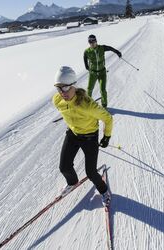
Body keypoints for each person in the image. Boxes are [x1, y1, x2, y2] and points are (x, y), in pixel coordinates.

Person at [52, 66, 113, 206]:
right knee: (64, 167)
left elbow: (108, 118)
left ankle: (104, 190)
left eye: (66, 88)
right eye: (58, 88)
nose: (62, 92)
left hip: (89, 137)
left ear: (74, 85)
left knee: (91, 173)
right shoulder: (57, 100)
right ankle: (72, 182)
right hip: (73, 134)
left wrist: (106, 136)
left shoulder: (88, 105)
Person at [83, 34, 122, 108]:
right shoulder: (87, 51)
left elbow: (110, 48)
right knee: (89, 89)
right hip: (93, 73)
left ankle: (104, 106)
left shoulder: (102, 48)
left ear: (96, 41)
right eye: (90, 42)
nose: (92, 43)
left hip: (102, 73)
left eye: (93, 41)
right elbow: (85, 59)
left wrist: (117, 52)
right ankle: (87, 105)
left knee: (103, 90)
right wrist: (88, 68)